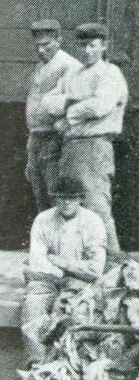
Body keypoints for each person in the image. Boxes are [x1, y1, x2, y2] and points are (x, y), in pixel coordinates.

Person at [51, 22, 126, 251]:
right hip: (71, 147)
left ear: (104, 46)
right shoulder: (73, 74)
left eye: (92, 45)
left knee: (96, 205)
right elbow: (49, 101)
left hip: (94, 147)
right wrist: (70, 104)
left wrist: (70, 112)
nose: (87, 51)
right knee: (70, 205)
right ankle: (77, 261)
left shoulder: (110, 73)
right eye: (83, 45)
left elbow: (100, 106)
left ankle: (112, 263)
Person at [21, 176, 109, 365]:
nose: (67, 202)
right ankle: (35, 366)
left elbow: (95, 269)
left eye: (72, 198)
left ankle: (59, 368)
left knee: (64, 313)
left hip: (78, 281)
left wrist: (62, 263)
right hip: (46, 279)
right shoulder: (43, 220)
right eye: (61, 198)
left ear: (80, 199)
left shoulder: (93, 222)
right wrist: (66, 268)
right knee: (32, 308)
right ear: (55, 199)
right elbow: (38, 262)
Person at [24, 19, 79, 216]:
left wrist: (62, 124)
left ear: (59, 40)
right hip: (36, 136)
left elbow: (75, 99)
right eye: (38, 45)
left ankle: (60, 242)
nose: (41, 50)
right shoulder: (41, 65)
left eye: (46, 45)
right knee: (39, 191)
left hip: (53, 137)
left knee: (54, 191)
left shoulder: (69, 65)